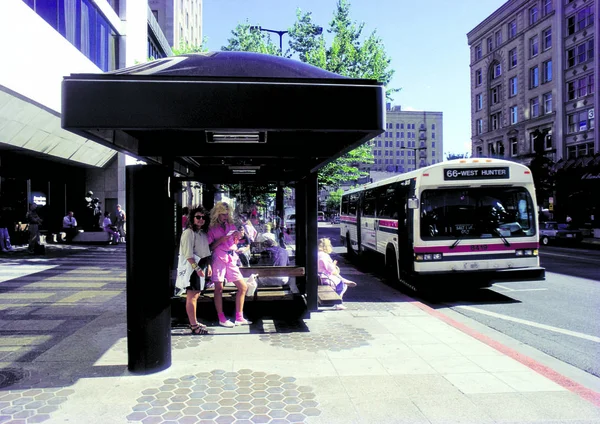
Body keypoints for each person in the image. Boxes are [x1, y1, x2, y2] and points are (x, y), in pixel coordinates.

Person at [207, 201, 250, 327]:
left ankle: (239, 317)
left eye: (227, 214)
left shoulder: (230, 225)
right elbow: (210, 247)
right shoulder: (211, 228)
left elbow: (235, 242)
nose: (225, 216)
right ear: (217, 214)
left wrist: (237, 236)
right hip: (219, 257)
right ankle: (222, 318)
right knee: (219, 288)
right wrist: (220, 240)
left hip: (230, 256)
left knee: (243, 287)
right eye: (223, 214)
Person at [176, 206, 212, 335]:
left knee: (195, 295)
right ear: (192, 218)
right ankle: (193, 325)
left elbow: (205, 252)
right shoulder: (188, 233)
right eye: (198, 217)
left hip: (200, 266)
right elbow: (188, 255)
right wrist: (197, 269)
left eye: (203, 217)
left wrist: (208, 267)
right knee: (191, 296)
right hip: (193, 268)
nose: (200, 219)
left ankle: (194, 321)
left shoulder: (202, 233)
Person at [317, 237, 357, 310]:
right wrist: (334, 265)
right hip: (324, 278)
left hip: (317, 277)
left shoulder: (315, 254)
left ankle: (343, 279)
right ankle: (338, 303)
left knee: (338, 278)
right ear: (326, 246)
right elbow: (331, 270)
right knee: (343, 285)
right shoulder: (324, 256)